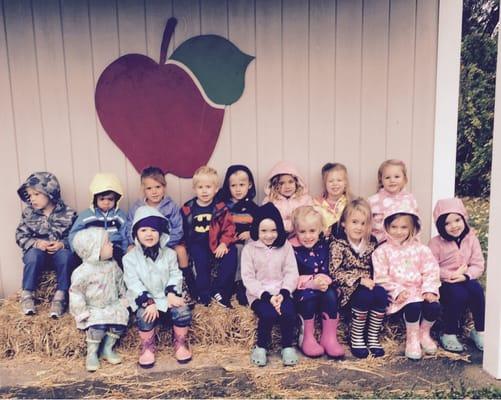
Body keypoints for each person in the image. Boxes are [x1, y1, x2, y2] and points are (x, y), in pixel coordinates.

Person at [123, 206, 192, 368]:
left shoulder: (169, 254)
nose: (149, 234)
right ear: (136, 234)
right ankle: (148, 347)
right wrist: (148, 301)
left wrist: (171, 293)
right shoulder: (130, 258)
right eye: (144, 230)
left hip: (165, 297)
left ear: (161, 233)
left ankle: (180, 344)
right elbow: (133, 283)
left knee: (182, 311)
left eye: (154, 230)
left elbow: (176, 274)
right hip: (146, 299)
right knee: (143, 316)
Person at [373, 203, 441, 360]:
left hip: (420, 290)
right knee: (413, 306)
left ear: (412, 228)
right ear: (386, 227)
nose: (398, 231)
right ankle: (412, 338)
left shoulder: (421, 249)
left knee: (434, 306)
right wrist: (397, 291)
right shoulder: (381, 252)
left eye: (404, 227)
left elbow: (431, 270)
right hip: (401, 295)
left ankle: (424, 333)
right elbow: (381, 277)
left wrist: (429, 290)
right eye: (394, 227)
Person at [241, 203, 299, 367]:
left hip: (281, 291)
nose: (269, 235)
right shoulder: (249, 249)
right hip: (260, 293)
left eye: (273, 230)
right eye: (264, 231)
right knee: (268, 314)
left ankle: (287, 346)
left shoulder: (285, 246)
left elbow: (291, 272)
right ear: (256, 230)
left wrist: (284, 293)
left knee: (288, 312)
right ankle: (261, 346)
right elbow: (248, 278)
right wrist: (266, 296)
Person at [330, 198, 387, 358]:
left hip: (369, 283)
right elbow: (335, 272)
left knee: (381, 294)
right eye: (354, 222)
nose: (359, 227)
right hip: (348, 288)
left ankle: (372, 337)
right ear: (343, 224)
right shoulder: (338, 244)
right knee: (364, 295)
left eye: (363, 223)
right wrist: (358, 280)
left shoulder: (371, 244)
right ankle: (357, 337)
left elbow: (377, 265)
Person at [16, 172, 77, 318]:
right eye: (30, 195)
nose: (32, 199)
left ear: (50, 193)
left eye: (36, 194)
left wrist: (62, 244)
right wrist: (36, 243)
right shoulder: (29, 213)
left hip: (58, 253)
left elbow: (75, 237)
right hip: (38, 254)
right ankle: (27, 294)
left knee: (66, 257)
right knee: (33, 256)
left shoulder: (68, 213)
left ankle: (61, 296)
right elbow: (20, 235)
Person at [429, 198, 485, 352]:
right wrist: (451, 275)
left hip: (466, 278)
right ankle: (449, 332)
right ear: (441, 226)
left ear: (464, 219)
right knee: (458, 294)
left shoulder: (471, 239)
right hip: (445, 283)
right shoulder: (436, 243)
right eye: (447, 223)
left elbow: (478, 264)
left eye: (457, 220)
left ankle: (479, 330)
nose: (454, 226)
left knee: (477, 290)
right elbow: (431, 267)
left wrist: (466, 275)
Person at [69, 228, 129, 371]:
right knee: (98, 327)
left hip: (112, 304)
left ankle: (107, 348)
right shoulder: (82, 272)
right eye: (107, 243)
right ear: (94, 249)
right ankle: (92, 352)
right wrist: (81, 311)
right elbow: (76, 292)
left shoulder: (112, 265)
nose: (112, 245)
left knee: (120, 321)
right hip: (93, 307)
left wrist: (123, 298)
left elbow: (120, 282)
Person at [180, 166, 238, 307]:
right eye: (200, 187)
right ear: (194, 189)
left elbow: (229, 227)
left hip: (216, 243)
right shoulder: (188, 208)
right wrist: (184, 247)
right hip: (197, 244)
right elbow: (182, 229)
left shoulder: (220, 208)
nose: (204, 191)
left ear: (216, 189)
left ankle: (220, 290)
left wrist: (224, 243)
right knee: (201, 263)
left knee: (232, 252)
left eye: (208, 187)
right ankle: (204, 295)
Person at [291, 206, 344, 358]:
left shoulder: (324, 245)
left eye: (312, 231)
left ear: (320, 229)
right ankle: (307, 337)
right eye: (302, 232)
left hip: (321, 284)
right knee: (308, 297)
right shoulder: (292, 248)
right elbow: (291, 274)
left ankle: (329, 338)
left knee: (330, 294)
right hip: (302, 290)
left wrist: (323, 280)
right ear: (295, 230)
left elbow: (328, 268)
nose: (308, 236)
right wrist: (310, 283)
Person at [126, 166, 186, 265]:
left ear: (164, 187)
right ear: (143, 190)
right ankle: (131, 277)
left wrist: (162, 244)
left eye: (158, 187)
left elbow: (178, 230)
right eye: (149, 188)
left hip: (166, 244)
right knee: (130, 250)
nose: (154, 192)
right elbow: (129, 228)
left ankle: (186, 276)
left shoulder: (171, 206)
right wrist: (140, 243)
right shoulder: (137, 207)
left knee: (181, 250)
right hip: (143, 243)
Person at [217, 164, 259, 306]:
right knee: (233, 253)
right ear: (228, 187)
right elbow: (217, 225)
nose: (238, 189)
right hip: (228, 242)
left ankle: (242, 285)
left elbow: (260, 225)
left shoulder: (253, 208)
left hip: (246, 242)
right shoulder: (223, 206)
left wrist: (251, 232)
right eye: (233, 185)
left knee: (248, 248)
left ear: (249, 185)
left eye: (242, 184)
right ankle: (225, 291)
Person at [69, 173, 127, 268]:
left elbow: (124, 234)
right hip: (92, 249)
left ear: (116, 199)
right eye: (102, 199)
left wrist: (125, 250)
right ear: (94, 199)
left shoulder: (119, 215)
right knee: (74, 259)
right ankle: (79, 280)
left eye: (110, 199)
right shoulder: (86, 216)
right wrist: (78, 250)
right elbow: (74, 234)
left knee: (121, 258)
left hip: (113, 247)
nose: (106, 202)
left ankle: (122, 280)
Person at [368, 159, 418, 243]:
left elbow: (415, 225)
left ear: (404, 179)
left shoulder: (410, 199)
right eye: (387, 177)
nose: (392, 180)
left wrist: (415, 242)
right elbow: (367, 224)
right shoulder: (373, 201)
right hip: (380, 243)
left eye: (397, 177)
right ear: (381, 180)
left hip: (405, 244)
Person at [263, 161, 312, 234]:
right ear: (275, 185)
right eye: (282, 183)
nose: (287, 186)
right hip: (277, 234)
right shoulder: (270, 201)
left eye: (290, 182)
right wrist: (287, 224)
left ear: (296, 183)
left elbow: (310, 218)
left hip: (300, 235)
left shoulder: (305, 199)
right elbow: (267, 220)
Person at [313, 162, 352, 238]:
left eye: (339, 180)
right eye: (331, 181)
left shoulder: (350, 203)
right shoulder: (316, 204)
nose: (335, 184)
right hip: (324, 242)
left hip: (345, 242)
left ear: (345, 183)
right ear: (325, 183)